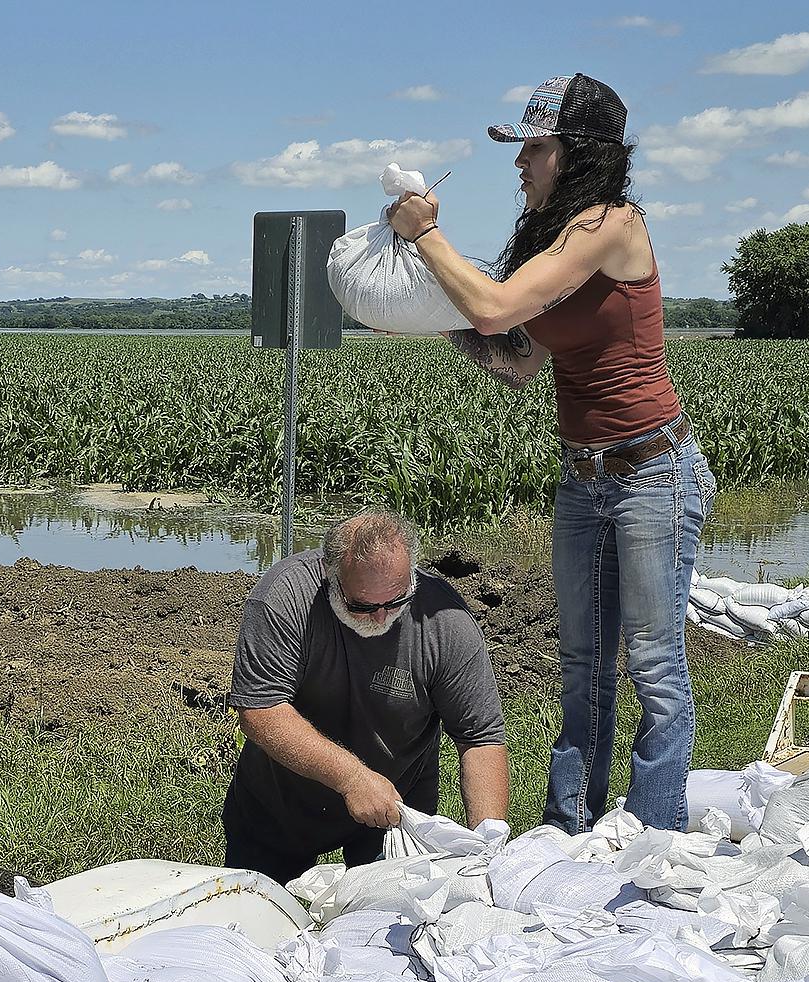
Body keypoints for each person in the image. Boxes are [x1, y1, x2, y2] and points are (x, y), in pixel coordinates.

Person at [387, 73, 714, 832]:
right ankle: (569, 835)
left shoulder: (610, 225)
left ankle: (649, 843)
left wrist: (427, 236)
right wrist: (417, 312)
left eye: (533, 147)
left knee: (657, 671)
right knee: (582, 673)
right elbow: (514, 360)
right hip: (585, 479)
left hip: (651, 475)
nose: (519, 163)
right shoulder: (552, 242)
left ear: (579, 154)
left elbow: (496, 304)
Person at [225, 511, 509, 885]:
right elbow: (261, 711)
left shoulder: (445, 623)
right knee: (260, 926)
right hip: (280, 808)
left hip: (391, 812)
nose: (380, 617)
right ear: (331, 575)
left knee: (386, 930)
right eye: (362, 605)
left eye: (396, 601)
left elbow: (480, 738)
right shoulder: (285, 597)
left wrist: (487, 843)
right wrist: (353, 779)